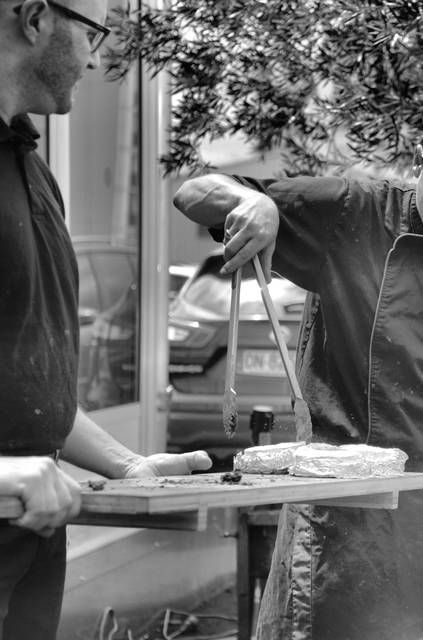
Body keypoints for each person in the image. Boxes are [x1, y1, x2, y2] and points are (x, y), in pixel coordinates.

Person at [173, 2, 423, 637]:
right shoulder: (355, 213)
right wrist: (252, 203)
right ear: (419, 172)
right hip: (338, 509)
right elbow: (193, 191)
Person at [0, 1, 212, 638]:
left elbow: (30, 386)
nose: (97, 58)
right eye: (92, 34)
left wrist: (125, 464)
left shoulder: (31, 169)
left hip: (31, 534)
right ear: (34, 18)